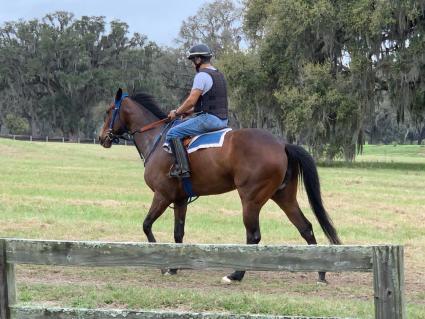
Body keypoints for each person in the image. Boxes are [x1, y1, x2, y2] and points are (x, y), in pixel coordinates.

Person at [164, 44, 229, 178]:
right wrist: (189, 112)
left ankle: (182, 168)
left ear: (198, 60)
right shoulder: (218, 74)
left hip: (210, 120)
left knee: (172, 133)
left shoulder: (201, 76)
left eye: (193, 60)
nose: (193, 64)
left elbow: (190, 101)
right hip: (223, 120)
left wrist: (176, 112)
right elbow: (210, 101)